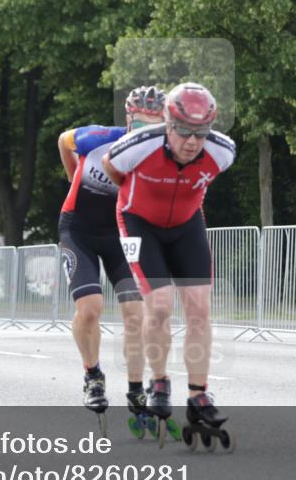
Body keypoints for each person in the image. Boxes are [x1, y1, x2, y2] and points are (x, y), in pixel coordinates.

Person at [101, 82, 236, 441]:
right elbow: (111, 167)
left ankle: (198, 395)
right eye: (184, 131)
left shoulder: (222, 151)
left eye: (200, 133)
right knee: (160, 304)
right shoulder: (140, 145)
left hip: (186, 225)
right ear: (168, 123)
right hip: (137, 222)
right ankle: (159, 381)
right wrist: (137, 193)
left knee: (199, 310)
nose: (192, 142)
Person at [57, 86, 166, 424]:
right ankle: (93, 376)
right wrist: (73, 175)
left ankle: (135, 388)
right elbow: (63, 140)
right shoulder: (100, 138)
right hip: (78, 231)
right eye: (141, 123)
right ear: (129, 119)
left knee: (135, 313)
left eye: (155, 125)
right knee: (90, 309)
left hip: (120, 235)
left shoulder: (161, 155)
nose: (146, 131)